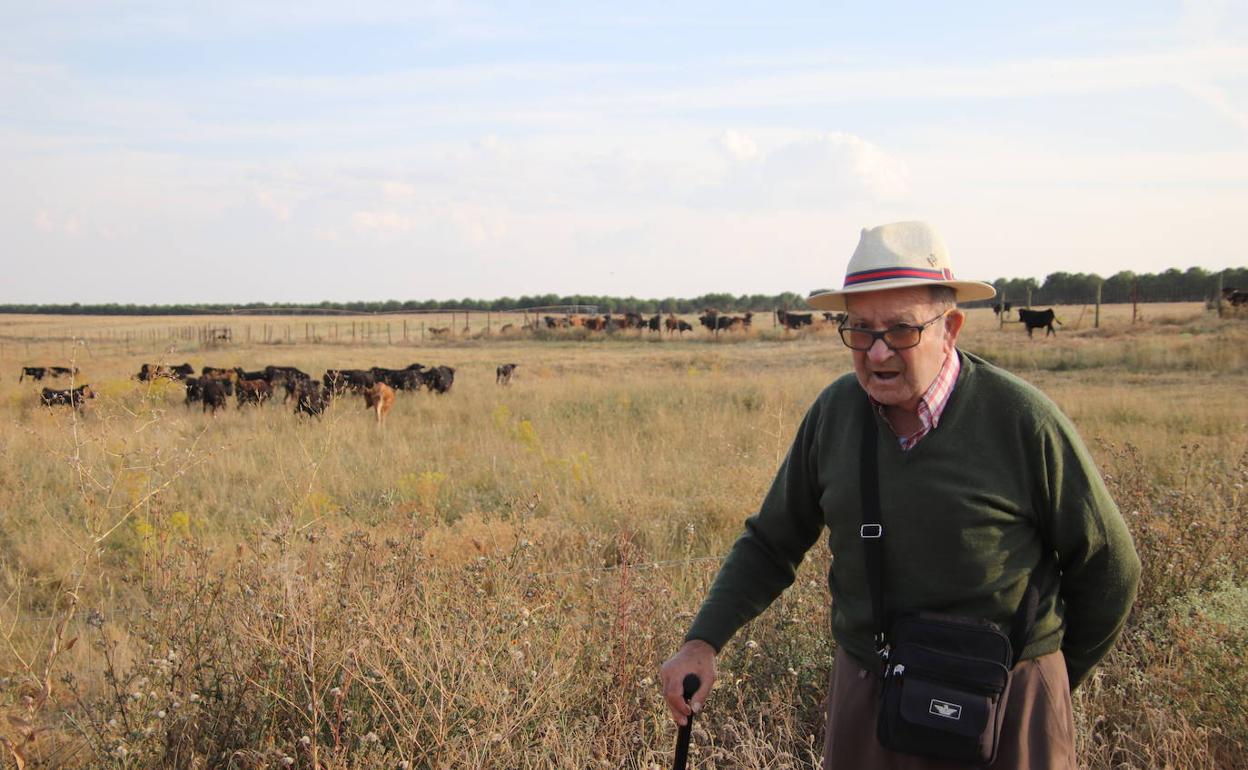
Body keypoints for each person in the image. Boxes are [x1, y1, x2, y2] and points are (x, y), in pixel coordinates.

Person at [660, 221, 1140, 768]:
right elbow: (772, 541)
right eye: (860, 329)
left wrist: (1044, 677)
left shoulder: (1022, 421)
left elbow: (1110, 566)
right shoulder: (836, 413)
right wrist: (703, 641)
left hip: (1007, 698)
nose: (879, 352)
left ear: (951, 328)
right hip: (872, 694)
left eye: (902, 330)